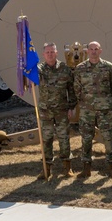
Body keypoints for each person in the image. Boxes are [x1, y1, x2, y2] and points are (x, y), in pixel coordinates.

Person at [74, 41, 112, 177]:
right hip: (87, 110)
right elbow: (76, 88)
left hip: (105, 109)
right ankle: (86, 168)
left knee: (108, 138)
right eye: (91, 49)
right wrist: (85, 102)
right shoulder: (80, 68)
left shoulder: (108, 67)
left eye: (96, 49)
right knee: (86, 139)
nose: (93, 51)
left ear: (100, 51)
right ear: (87, 51)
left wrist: (107, 101)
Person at [36, 42, 77, 179]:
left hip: (61, 110)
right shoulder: (38, 69)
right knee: (46, 139)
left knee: (64, 138)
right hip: (45, 111)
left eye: (52, 52)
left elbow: (71, 89)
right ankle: (46, 168)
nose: (50, 54)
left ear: (56, 53)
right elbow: (28, 77)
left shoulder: (64, 69)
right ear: (43, 54)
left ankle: (67, 167)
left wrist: (71, 107)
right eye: (47, 52)